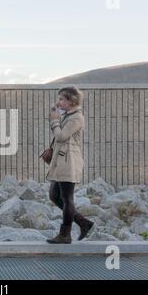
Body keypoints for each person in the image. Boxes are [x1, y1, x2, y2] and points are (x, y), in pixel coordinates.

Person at [46, 87, 94, 244]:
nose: (59, 101)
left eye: (61, 99)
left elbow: (61, 136)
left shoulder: (77, 118)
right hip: (62, 161)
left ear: (71, 101)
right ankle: (82, 222)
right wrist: (56, 114)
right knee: (54, 196)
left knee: (67, 198)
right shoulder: (68, 115)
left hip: (69, 162)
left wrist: (54, 120)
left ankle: (65, 234)